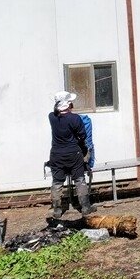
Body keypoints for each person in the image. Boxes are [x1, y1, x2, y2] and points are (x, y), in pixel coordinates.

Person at [47, 91, 96, 219]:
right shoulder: (75, 119)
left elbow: (57, 113)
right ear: (68, 104)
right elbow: (83, 136)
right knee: (79, 180)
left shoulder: (51, 117)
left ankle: (57, 210)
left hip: (56, 154)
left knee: (57, 182)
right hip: (73, 153)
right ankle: (85, 207)